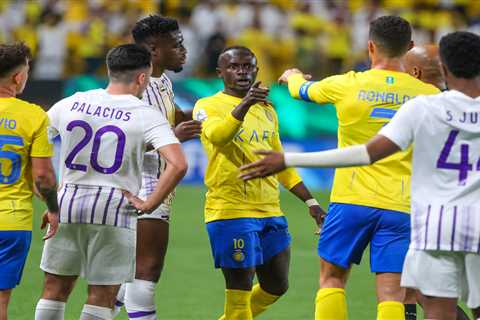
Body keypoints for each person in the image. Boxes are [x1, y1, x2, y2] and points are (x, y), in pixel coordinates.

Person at [240, 30, 480, 320]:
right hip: (413, 208)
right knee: (395, 293)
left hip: (381, 207)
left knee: (333, 279)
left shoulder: (418, 105)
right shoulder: (426, 94)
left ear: (370, 46)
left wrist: (292, 80)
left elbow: (365, 150)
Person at [33, 44, 188, 320]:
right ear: (142, 78)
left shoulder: (72, 102)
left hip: (67, 204)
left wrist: (50, 200)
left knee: (54, 289)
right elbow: (178, 164)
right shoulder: (145, 114)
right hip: (115, 210)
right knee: (102, 296)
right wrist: (149, 203)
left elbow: (34, 146)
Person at [192, 46, 324, 320]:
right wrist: (246, 103)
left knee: (276, 286)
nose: (242, 72)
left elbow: (280, 162)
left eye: (248, 66)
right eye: (234, 66)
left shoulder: (267, 111)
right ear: (220, 73)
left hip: (270, 211)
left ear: (256, 70)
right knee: (239, 298)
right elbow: (218, 136)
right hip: (230, 212)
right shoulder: (206, 106)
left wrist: (311, 202)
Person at [112, 15, 202, 320]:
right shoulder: (136, 88)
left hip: (154, 181)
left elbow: (175, 115)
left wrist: (218, 110)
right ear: (153, 49)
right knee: (146, 271)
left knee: (126, 276)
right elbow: (121, 141)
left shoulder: (161, 80)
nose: (183, 50)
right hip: (142, 182)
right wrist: (172, 138)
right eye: (176, 44)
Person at [404, 44, 470, 320]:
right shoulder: (462, 104)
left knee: (423, 290)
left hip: (438, 211)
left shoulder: (425, 108)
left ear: (416, 72)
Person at [0, 43, 59, 320]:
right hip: (11, 222)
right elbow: (43, 177)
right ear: (18, 77)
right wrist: (53, 208)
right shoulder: (34, 115)